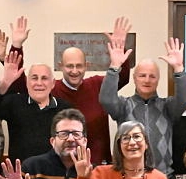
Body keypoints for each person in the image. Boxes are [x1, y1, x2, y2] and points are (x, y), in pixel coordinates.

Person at [99, 37, 186, 177]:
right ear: (135, 78)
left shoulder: (167, 107)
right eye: (142, 76)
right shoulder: (124, 105)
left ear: (158, 80)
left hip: (163, 177)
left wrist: (179, 69)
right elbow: (105, 99)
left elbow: (185, 99)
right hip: (129, 177)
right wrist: (114, 68)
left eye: (152, 76)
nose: (147, 80)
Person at [51, 16, 133, 164]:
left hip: (97, 164)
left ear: (86, 66)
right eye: (69, 66)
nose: (74, 71)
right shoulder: (52, 89)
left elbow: (122, 78)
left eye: (79, 66)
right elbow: (24, 87)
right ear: (61, 66)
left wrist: (119, 58)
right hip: (61, 166)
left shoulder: (97, 84)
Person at [0, 51, 73, 162]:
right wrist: (5, 82)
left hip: (53, 176)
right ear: (27, 82)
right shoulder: (14, 102)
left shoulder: (65, 109)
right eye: (34, 78)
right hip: (20, 175)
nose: (39, 83)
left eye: (44, 78)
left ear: (53, 83)